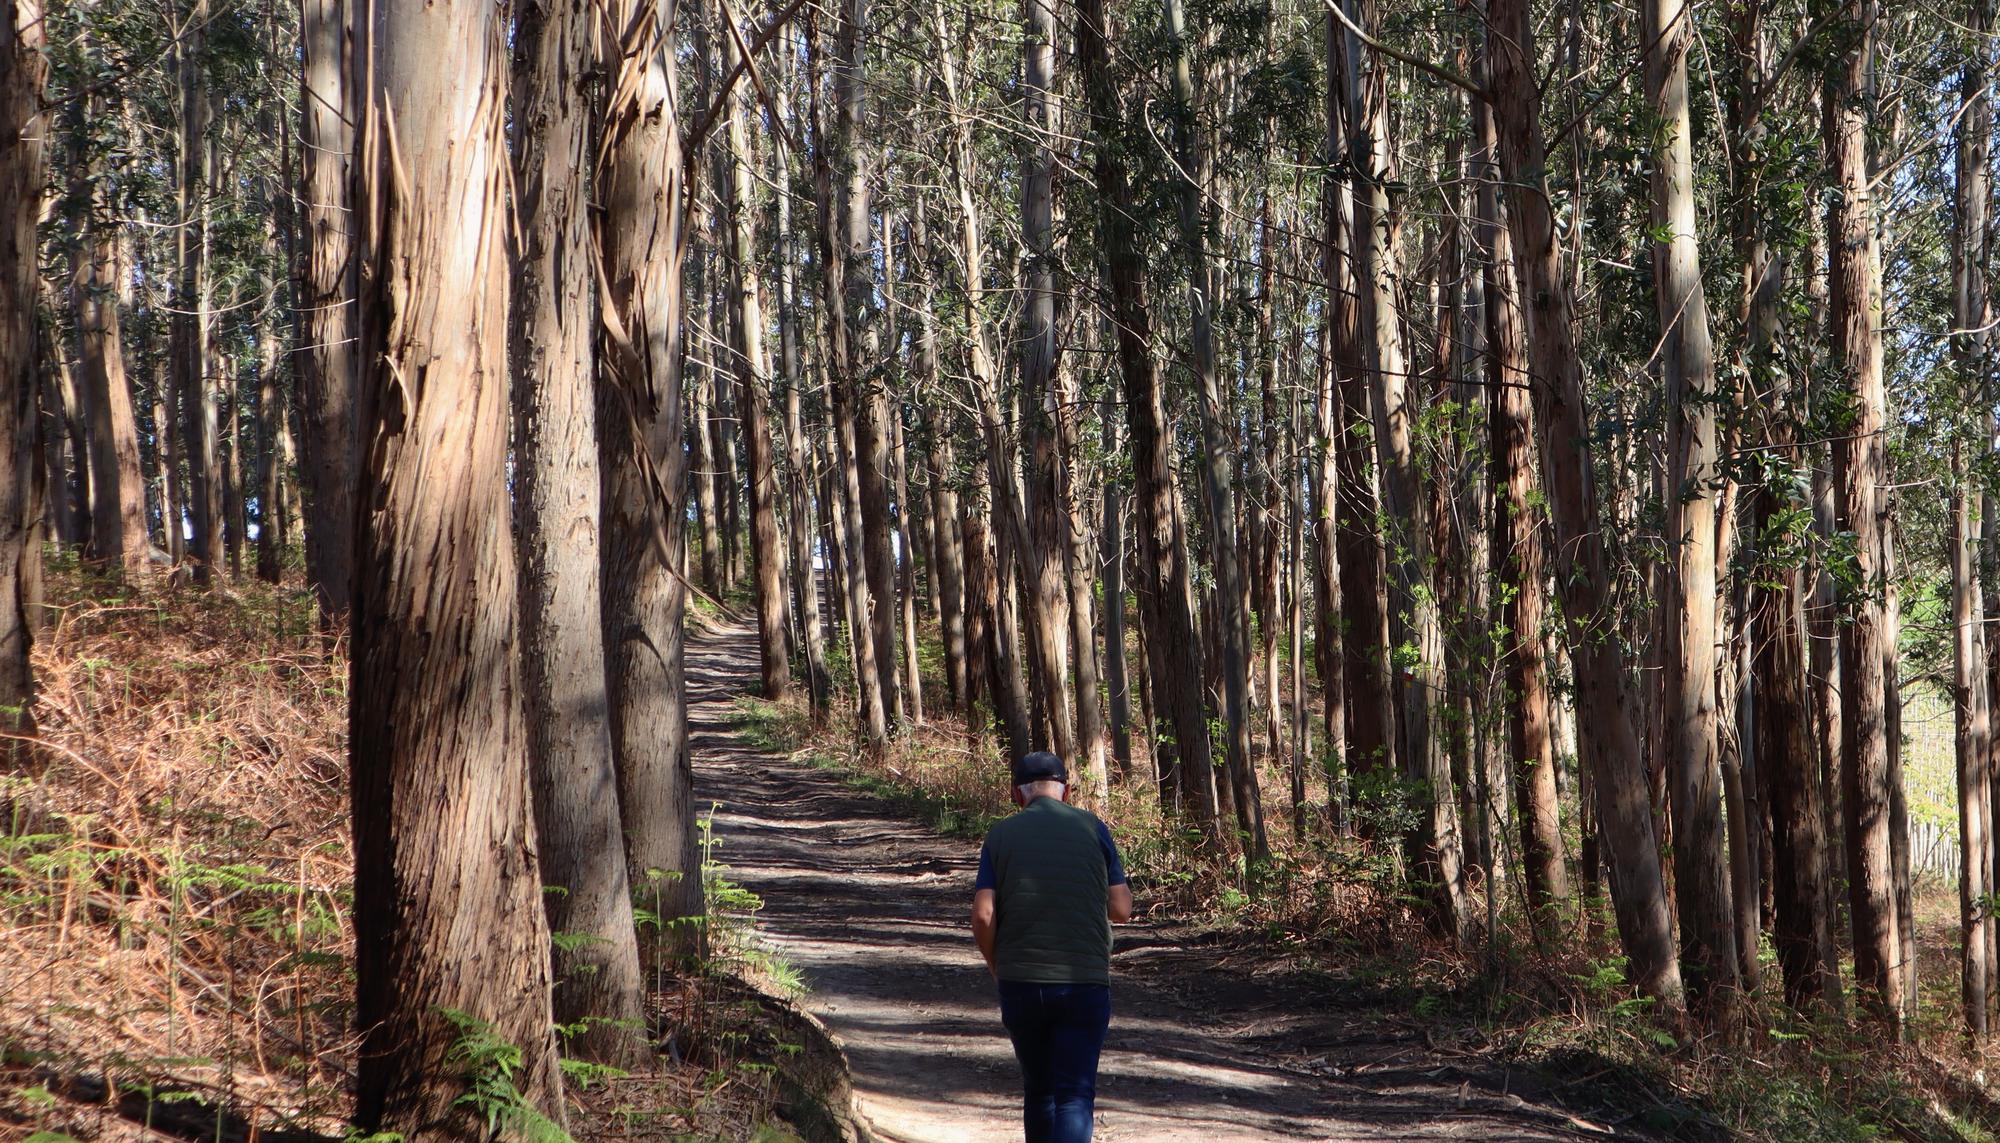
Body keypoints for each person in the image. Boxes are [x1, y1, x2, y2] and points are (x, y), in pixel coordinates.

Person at [970, 750, 1133, 1143]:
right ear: (1067, 790)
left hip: (1021, 981)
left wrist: (996, 964)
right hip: (1085, 980)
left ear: (1016, 794)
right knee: (1074, 1095)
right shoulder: (1094, 828)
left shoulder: (1001, 836)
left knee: (1039, 1090)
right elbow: (1122, 908)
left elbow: (983, 916)